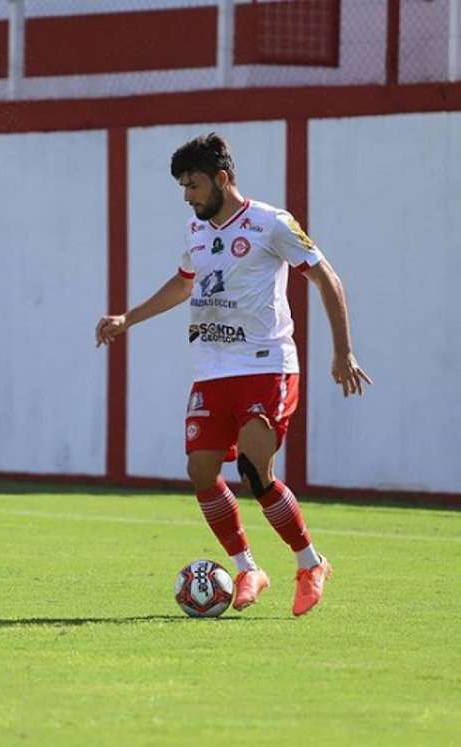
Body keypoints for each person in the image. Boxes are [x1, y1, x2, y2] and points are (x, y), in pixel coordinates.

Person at [95, 133, 370, 617]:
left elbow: (328, 278)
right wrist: (127, 318)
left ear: (222, 179)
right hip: (212, 369)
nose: (187, 195)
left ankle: (310, 563)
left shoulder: (271, 223)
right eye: (183, 185)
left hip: (266, 366)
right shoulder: (195, 231)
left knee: (252, 471)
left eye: (194, 184)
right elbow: (183, 285)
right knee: (201, 471)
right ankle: (247, 568)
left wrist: (342, 351)